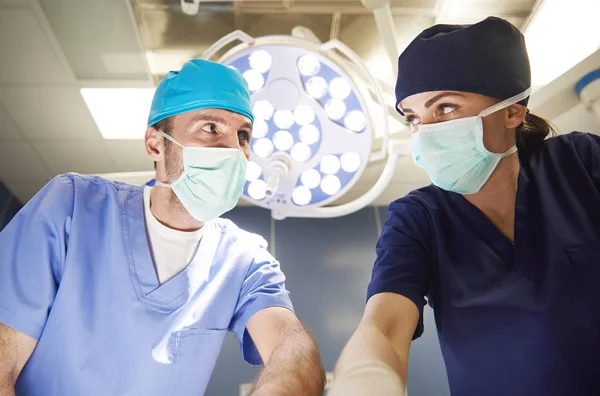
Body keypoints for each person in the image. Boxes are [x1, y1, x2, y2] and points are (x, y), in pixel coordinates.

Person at [0, 59, 325, 396]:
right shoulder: (71, 208)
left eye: (242, 135)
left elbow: (291, 346)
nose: (232, 149)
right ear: (155, 144)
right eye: (210, 128)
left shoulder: (244, 260)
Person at [331, 17, 600, 396]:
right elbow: (385, 325)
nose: (425, 131)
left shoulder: (579, 162)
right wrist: (365, 378)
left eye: (445, 108)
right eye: (413, 117)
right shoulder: (419, 218)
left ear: (512, 112)